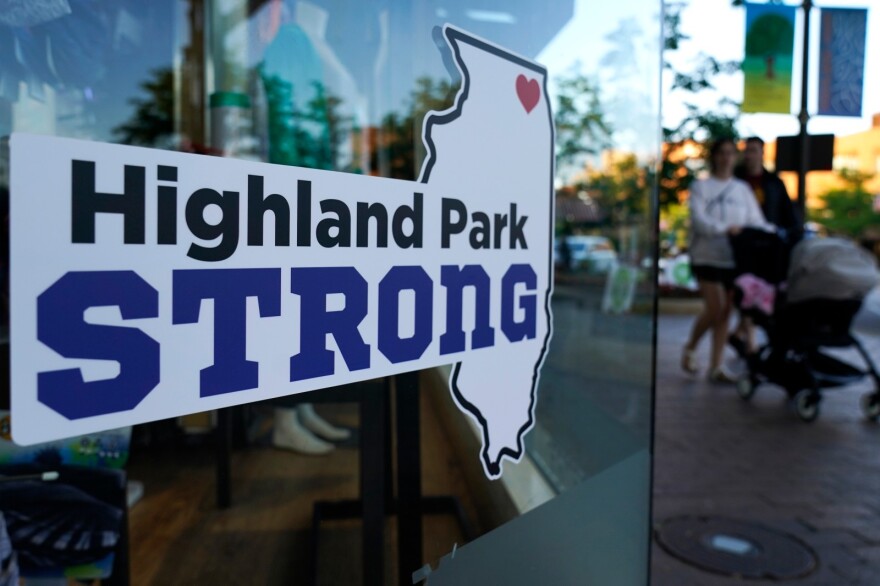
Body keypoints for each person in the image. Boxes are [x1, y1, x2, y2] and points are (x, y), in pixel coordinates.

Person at [682, 138, 773, 382]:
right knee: (716, 307)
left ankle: (716, 366)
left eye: (730, 153)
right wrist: (726, 229)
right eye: (721, 153)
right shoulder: (700, 187)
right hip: (706, 256)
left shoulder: (742, 190)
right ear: (714, 156)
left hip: (733, 258)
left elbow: (756, 221)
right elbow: (700, 221)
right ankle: (690, 346)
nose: (726, 158)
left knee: (725, 313)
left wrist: (773, 233)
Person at [735, 136, 802, 247]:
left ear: (762, 152)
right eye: (746, 151)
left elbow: (788, 212)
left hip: (768, 240)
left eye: (753, 151)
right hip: (741, 239)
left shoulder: (774, 182)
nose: (749, 156)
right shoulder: (734, 180)